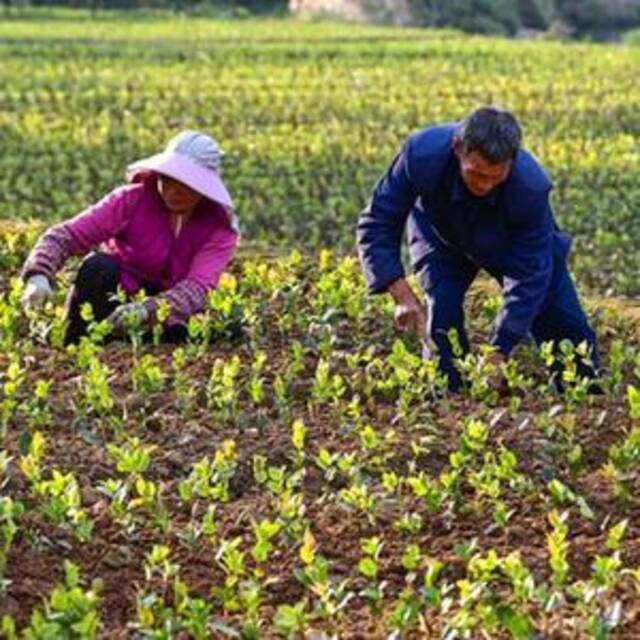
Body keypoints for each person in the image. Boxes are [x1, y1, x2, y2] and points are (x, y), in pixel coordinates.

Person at [357, 106, 600, 392]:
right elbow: (377, 221)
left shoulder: (529, 189)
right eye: (477, 174)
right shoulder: (422, 155)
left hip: (509, 241)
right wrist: (399, 293)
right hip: (441, 235)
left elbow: (531, 274)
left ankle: (582, 395)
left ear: (512, 160)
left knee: (565, 328)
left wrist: (500, 348)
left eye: (496, 177)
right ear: (458, 148)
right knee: (442, 314)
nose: (485, 185)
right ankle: (450, 397)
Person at [20, 130, 240, 345]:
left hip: (170, 310)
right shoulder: (130, 201)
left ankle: (140, 342)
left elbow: (198, 288)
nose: (174, 191)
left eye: (186, 185)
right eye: (168, 180)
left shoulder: (219, 228)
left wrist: (147, 311)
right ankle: (79, 341)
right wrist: (39, 274)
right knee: (98, 267)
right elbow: (65, 236)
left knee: (228, 327)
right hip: (118, 297)